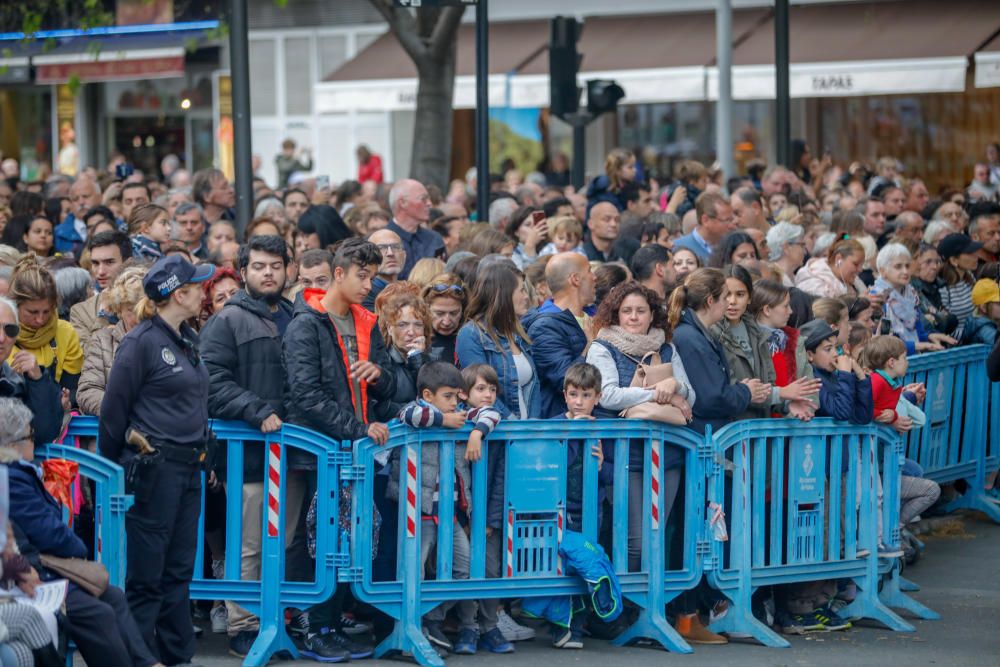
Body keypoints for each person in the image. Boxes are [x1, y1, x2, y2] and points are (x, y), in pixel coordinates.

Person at [98, 255, 215, 665]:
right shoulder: (141, 342)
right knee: (148, 576)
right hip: (156, 468)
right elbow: (114, 412)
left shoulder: (188, 337)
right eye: (197, 286)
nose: (205, 291)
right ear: (177, 294)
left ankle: (176, 655)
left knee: (179, 572)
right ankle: (141, 657)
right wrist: (115, 466)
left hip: (189, 467)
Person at [282, 238, 393, 654]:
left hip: (353, 450)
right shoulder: (305, 323)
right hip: (319, 453)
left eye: (372, 276)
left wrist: (380, 376)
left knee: (349, 539)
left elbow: (392, 386)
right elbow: (305, 395)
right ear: (339, 274)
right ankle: (315, 628)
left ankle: (330, 625)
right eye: (362, 276)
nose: (369, 284)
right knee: (319, 541)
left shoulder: (368, 321)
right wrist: (358, 429)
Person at [1, 398, 164, 667]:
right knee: (97, 613)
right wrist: (76, 549)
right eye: (31, 435)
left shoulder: (16, 474)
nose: (35, 440)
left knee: (113, 596)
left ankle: (149, 664)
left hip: (31, 567)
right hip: (28, 575)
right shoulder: (11, 478)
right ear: (13, 443)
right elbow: (45, 533)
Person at [199, 235, 298, 658]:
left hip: (293, 454)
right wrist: (256, 410)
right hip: (249, 456)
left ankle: (272, 621)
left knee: (284, 543)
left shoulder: (296, 317)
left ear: (287, 269)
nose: (268, 272)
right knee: (250, 545)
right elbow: (211, 384)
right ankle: (242, 623)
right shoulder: (227, 320)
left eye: (275, 265)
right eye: (259, 266)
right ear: (244, 272)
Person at [585, 281, 694, 572]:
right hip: (625, 457)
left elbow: (691, 394)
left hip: (668, 452)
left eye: (640, 311)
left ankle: (650, 607)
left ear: (651, 315)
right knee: (636, 540)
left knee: (656, 536)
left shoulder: (667, 347)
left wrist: (677, 385)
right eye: (626, 311)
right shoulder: (602, 347)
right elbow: (607, 395)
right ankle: (627, 606)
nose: (633, 317)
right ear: (616, 315)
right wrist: (663, 392)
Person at [387, 362, 486, 656]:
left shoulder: (460, 415)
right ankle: (411, 630)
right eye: (448, 396)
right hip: (418, 514)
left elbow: (492, 413)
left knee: (464, 569)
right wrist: (444, 421)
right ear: (427, 394)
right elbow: (410, 413)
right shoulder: (417, 413)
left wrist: (477, 432)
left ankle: (431, 621)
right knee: (413, 571)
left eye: (458, 396)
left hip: (450, 514)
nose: (456, 403)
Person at [669, 268, 769, 433]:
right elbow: (711, 398)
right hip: (701, 436)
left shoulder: (697, 335)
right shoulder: (690, 339)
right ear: (710, 301)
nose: (729, 302)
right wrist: (746, 391)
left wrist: (739, 390)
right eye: (725, 297)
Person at [713, 267, 819, 420]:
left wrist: (786, 405)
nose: (732, 301)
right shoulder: (713, 332)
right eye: (727, 294)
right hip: (731, 429)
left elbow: (768, 383)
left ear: (749, 298)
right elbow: (729, 389)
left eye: (740, 294)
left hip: (759, 428)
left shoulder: (757, 333)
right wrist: (781, 393)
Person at [456, 264, 540, 419]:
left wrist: (531, 429)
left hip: (526, 434)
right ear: (504, 294)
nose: (526, 297)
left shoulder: (519, 334)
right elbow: (479, 392)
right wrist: (513, 427)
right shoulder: (471, 334)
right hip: (496, 434)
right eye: (521, 290)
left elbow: (532, 391)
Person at [522, 253, 596, 418]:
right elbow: (565, 380)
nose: (595, 277)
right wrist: (590, 344)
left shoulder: (596, 316)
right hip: (562, 430)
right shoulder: (545, 326)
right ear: (575, 279)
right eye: (590, 271)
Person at [6, 257, 83, 397]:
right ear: (15, 305)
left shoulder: (66, 332)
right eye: (32, 312)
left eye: (47, 311)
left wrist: (63, 403)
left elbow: (72, 389)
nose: (40, 319)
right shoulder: (3, 334)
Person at [77, 266, 146, 416]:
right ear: (119, 310)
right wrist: (124, 410)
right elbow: (87, 391)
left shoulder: (169, 337)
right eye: (131, 310)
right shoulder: (103, 340)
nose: (139, 317)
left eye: (144, 308)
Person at [872, 243, 956, 354]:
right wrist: (916, 346)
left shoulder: (910, 294)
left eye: (907, 266)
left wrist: (929, 337)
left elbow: (919, 329)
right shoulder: (876, 299)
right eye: (898, 266)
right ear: (883, 271)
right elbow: (884, 343)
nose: (905, 271)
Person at [0, 297, 62, 446]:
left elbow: (44, 435)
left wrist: (38, 380)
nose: (2, 338)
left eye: (10, 330)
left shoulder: (16, 380)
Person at [374, 282, 436, 413]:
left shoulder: (432, 360)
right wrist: (417, 412)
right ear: (390, 328)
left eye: (418, 325)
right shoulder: (381, 360)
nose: (411, 332)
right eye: (403, 325)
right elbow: (381, 408)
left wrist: (417, 359)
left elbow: (435, 399)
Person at [70, 230, 132, 350]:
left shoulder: (148, 301)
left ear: (128, 263)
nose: (101, 271)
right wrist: (103, 316)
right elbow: (89, 358)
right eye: (95, 263)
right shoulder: (80, 312)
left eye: (109, 262)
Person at [387, 179, 444, 279]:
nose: (429, 203)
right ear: (403, 203)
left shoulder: (435, 239)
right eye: (423, 199)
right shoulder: (381, 241)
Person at [937, 233, 980, 340]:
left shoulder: (969, 276)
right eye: (970, 253)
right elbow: (945, 329)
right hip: (960, 342)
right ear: (954, 260)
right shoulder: (943, 287)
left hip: (977, 331)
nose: (976, 256)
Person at [673, 192, 737, 263]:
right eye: (727, 220)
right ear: (705, 220)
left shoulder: (735, 246)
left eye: (731, 219)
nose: (732, 225)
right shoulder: (678, 247)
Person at [795, 239, 867, 298]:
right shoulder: (813, 282)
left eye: (861, 265)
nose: (860, 269)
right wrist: (859, 303)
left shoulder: (852, 279)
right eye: (856, 264)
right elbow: (828, 311)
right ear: (838, 259)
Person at [421, 275, 466, 365]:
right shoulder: (415, 338)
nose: (447, 322)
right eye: (439, 313)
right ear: (426, 308)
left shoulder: (472, 339)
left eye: (454, 313)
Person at [363, 228, 406, 311]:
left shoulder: (410, 290)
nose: (390, 253)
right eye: (381, 248)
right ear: (369, 257)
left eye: (395, 247)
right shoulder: (364, 293)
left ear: (404, 255)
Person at [585, 148, 636, 217]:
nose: (635, 170)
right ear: (618, 169)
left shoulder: (626, 186)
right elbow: (618, 214)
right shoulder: (604, 187)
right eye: (630, 167)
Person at [767, 222, 808, 286]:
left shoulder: (794, 278)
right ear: (786, 247)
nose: (805, 251)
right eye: (802, 245)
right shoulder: (775, 280)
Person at [962, 279, 1000, 346]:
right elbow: (997, 343)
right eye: (998, 304)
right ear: (983, 307)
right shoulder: (984, 329)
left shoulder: (976, 321)